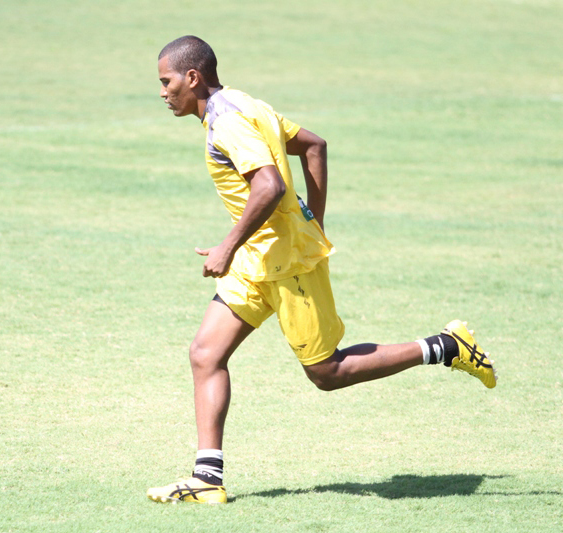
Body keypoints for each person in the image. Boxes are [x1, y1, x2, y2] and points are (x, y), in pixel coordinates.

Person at [146, 36, 498, 505]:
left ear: (192, 77)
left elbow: (268, 184)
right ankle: (207, 479)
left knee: (327, 373)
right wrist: (313, 219)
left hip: (285, 262)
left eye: (167, 82)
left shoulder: (228, 123)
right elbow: (314, 146)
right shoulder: (248, 105)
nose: (164, 92)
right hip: (260, 258)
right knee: (205, 354)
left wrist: (229, 245)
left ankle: (445, 345)